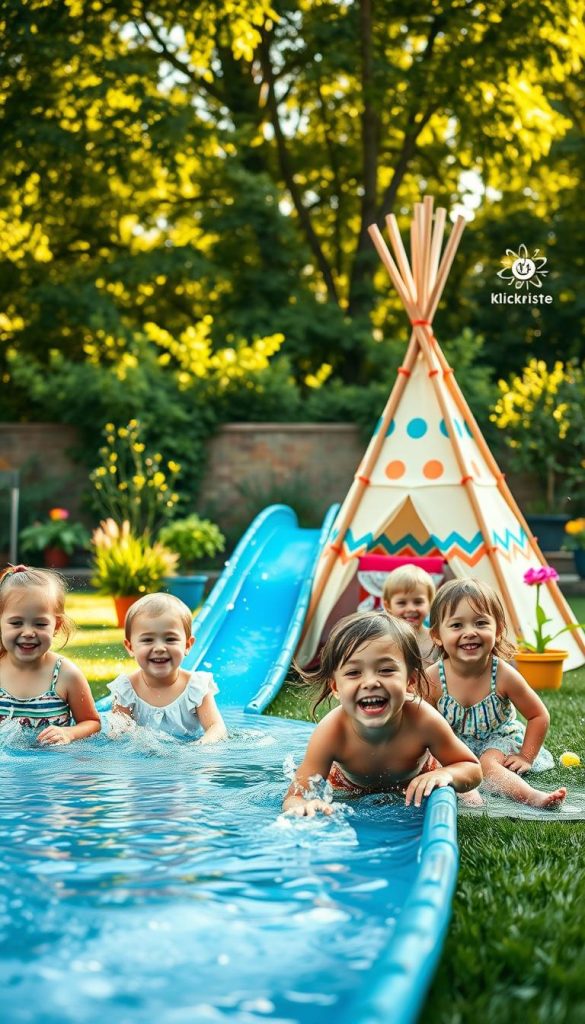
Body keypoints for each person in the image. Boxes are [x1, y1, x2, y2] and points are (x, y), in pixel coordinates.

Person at [282, 610, 482, 816]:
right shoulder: (332, 731)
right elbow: (295, 795)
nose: (370, 682)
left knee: (472, 798)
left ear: (410, 681)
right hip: (350, 790)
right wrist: (303, 806)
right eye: (353, 673)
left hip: (418, 777)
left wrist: (447, 773)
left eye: (386, 670)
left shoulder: (422, 718)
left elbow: (471, 767)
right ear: (336, 687)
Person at [427, 578, 566, 809]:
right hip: (454, 743)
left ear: (498, 629)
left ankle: (533, 797)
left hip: (498, 738)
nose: (470, 632)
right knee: (441, 763)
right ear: (437, 635)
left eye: (481, 623)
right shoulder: (433, 678)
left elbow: (538, 715)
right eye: (457, 625)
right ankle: (468, 794)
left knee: (488, 764)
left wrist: (525, 757)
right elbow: (423, 724)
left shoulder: (502, 675)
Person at [0, 564, 101, 743]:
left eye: (40, 624)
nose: (28, 632)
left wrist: (69, 733)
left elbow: (92, 722)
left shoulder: (66, 674)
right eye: (16, 623)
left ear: (57, 626)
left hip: (53, 766)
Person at [108, 592, 227, 742]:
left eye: (170, 639)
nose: (159, 648)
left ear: (187, 645)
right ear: (130, 647)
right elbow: (117, 736)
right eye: (147, 640)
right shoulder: (126, 688)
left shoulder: (196, 687)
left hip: (187, 758)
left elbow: (216, 727)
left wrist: (203, 744)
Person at [382, 564, 437, 666]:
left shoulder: (436, 639)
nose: (411, 608)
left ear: (430, 603)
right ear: (388, 605)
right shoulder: (383, 640)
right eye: (402, 603)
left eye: (418, 602)